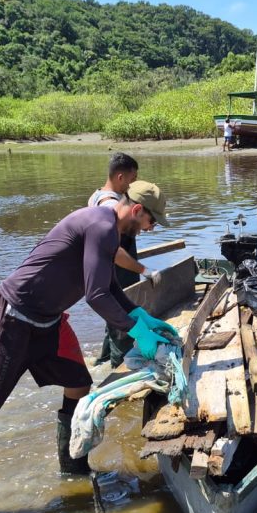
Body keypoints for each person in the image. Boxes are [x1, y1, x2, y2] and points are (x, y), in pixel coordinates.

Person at [0, 181, 176, 513]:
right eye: (152, 221)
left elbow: (110, 287)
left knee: (78, 383)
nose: (151, 229)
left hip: (48, 320)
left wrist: (141, 316)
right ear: (137, 210)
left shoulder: (108, 229)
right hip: (16, 317)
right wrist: (136, 332)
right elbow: (96, 294)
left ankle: (72, 467)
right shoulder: (101, 225)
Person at [89, 153, 162, 367]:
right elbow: (116, 251)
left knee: (113, 317)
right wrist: (144, 270)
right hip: (116, 271)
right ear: (120, 177)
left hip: (108, 275)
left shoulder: (97, 196)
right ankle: (117, 366)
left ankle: (102, 362)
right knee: (120, 324)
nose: (133, 184)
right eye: (132, 178)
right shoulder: (111, 209)